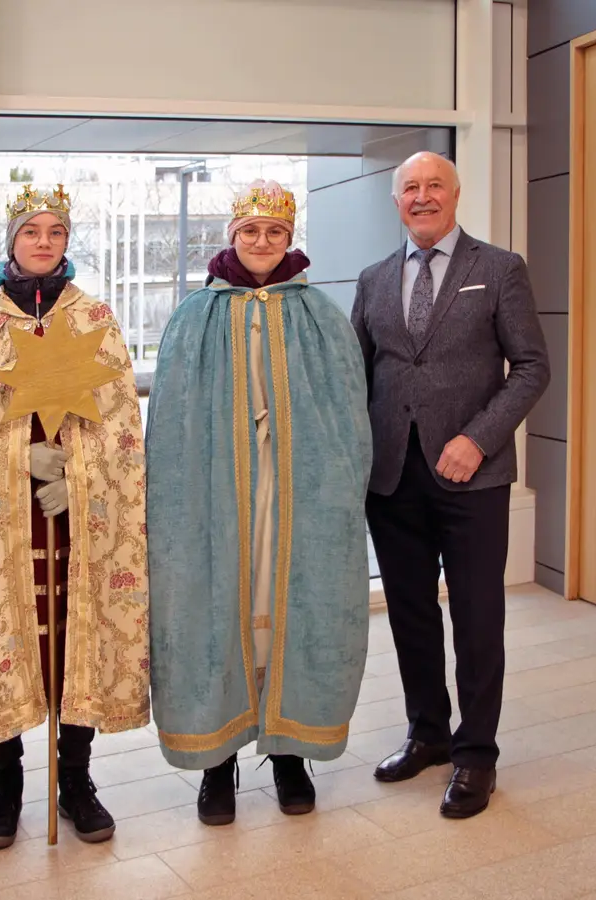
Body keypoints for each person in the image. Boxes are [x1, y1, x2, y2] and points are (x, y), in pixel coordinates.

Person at [147, 179, 372, 826]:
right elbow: (172, 418)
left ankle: (288, 754)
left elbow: (346, 412)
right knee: (219, 610)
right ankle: (218, 764)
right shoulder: (197, 314)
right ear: (232, 235)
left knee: (287, 610)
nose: (262, 243)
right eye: (251, 231)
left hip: (296, 494)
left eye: (275, 232)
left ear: (289, 237)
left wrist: (331, 479)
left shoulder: (319, 314)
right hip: (215, 497)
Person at [0, 184, 150, 848]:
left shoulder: (95, 319)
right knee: (11, 639)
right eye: (32, 231)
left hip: (77, 520)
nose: (44, 241)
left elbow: (120, 420)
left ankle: (76, 783)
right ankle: (6, 786)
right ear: (12, 242)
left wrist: (78, 476)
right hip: (6, 519)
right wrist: (17, 459)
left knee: (74, 639)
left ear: (65, 244)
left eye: (56, 232)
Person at [351, 152, 550, 819]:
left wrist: (477, 439)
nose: (422, 195)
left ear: (456, 194)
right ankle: (428, 733)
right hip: (392, 477)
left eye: (434, 184)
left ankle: (476, 754)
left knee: (476, 616)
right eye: (410, 187)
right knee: (410, 613)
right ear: (396, 201)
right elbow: (358, 375)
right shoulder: (374, 278)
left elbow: (530, 368)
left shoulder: (498, 269)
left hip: (473, 476)